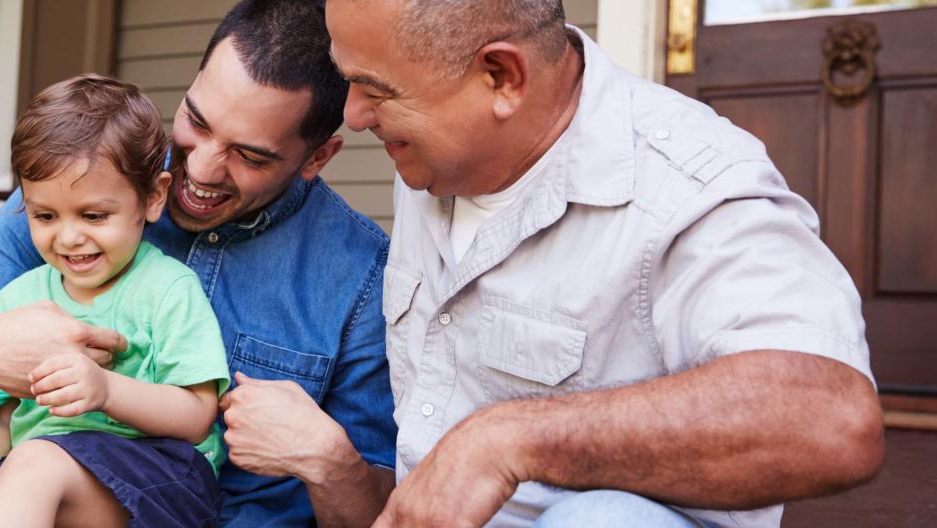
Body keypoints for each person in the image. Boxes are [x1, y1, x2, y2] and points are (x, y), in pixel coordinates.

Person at [324, 0, 884, 526]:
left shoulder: (686, 183)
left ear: (500, 77)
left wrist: (506, 438)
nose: (353, 115)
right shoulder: (432, 153)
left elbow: (829, 417)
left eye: (375, 89)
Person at [0, 1, 398, 526]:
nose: (198, 167)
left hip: (184, 498)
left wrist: (331, 463)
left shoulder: (358, 273)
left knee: (37, 464)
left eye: (250, 155)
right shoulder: (75, 190)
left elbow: (376, 509)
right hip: (44, 500)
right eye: (196, 120)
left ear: (317, 157)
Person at [0, 75, 229, 528]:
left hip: (159, 475)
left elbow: (197, 416)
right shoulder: (20, 299)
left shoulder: (166, 289)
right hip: (38, 475)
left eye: (93, 215)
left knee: (36, 463)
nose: (68, 237)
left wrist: (106, 390)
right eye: (44, 215)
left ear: (153, 197)